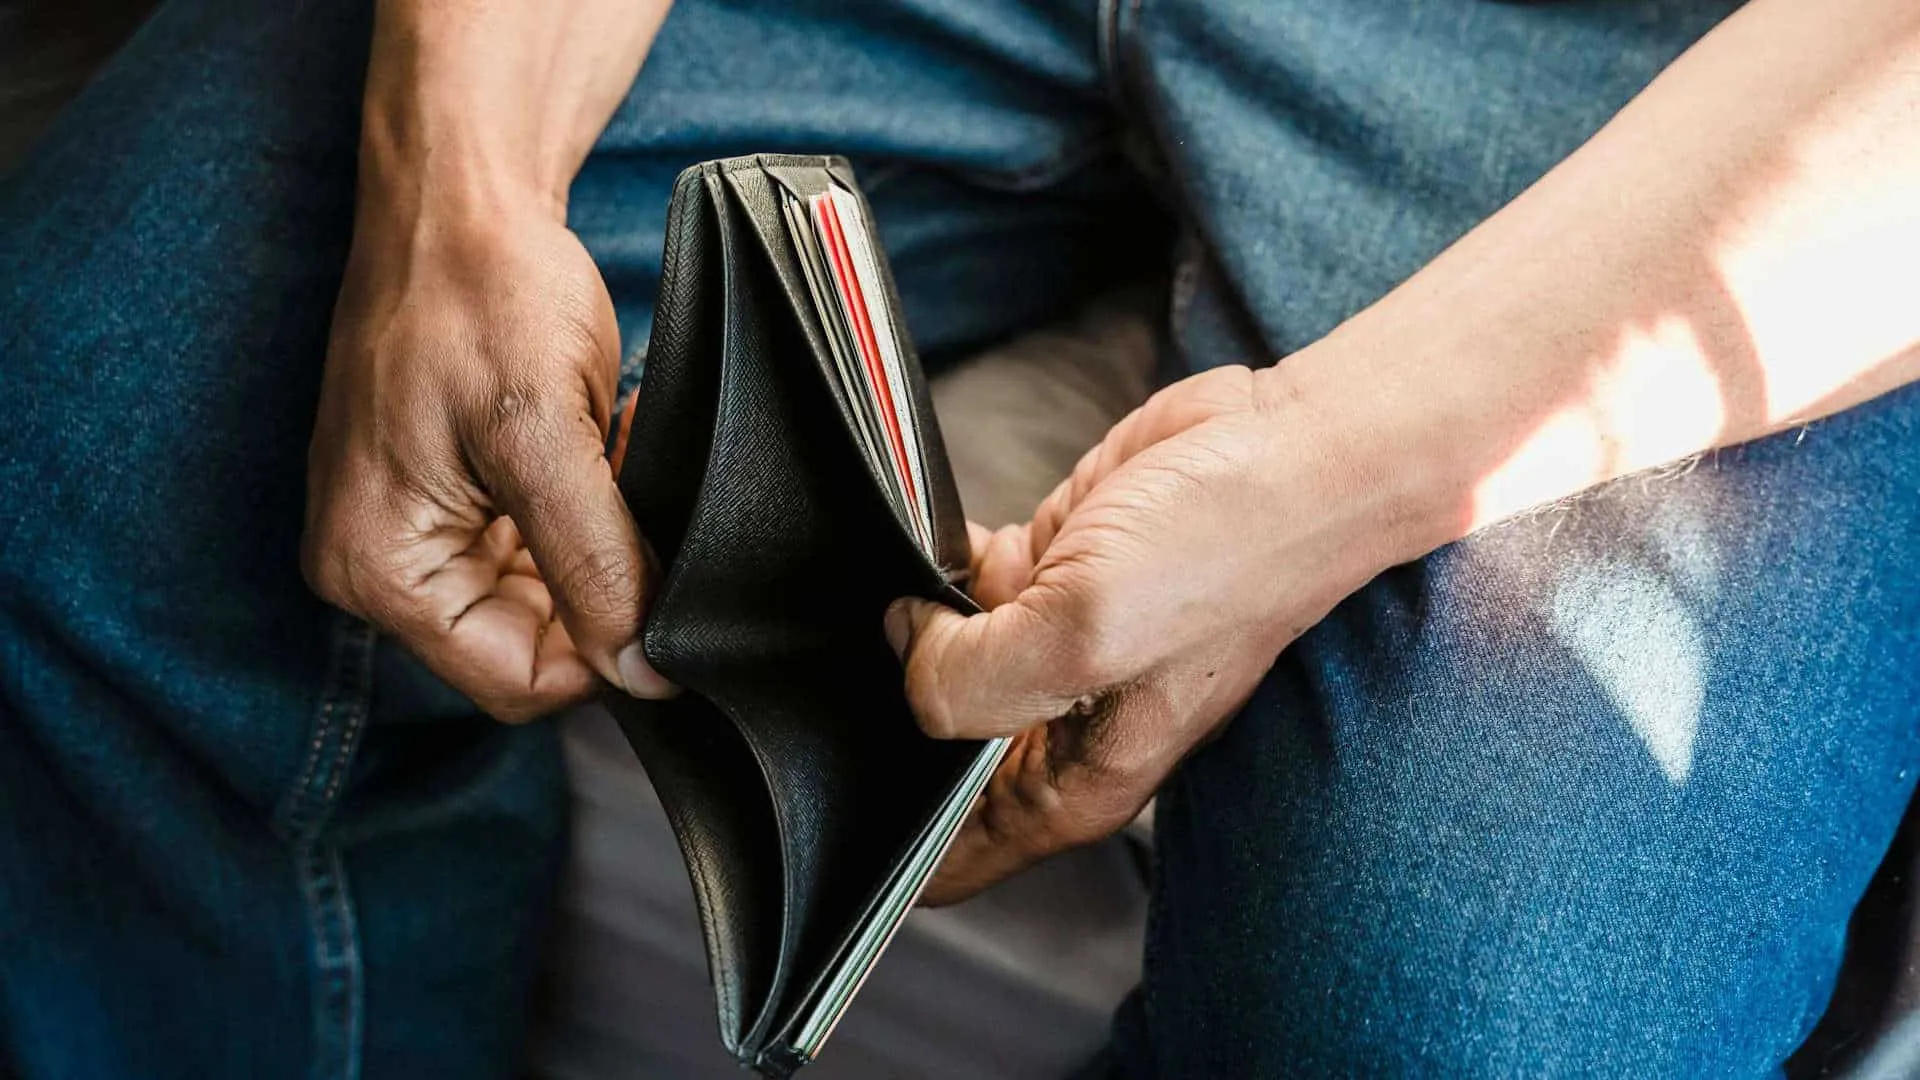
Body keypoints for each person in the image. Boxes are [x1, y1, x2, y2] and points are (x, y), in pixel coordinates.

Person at [2, 0, 1917, 1076]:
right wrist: (461, 167)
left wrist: (1329, 464)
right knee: (93, 433)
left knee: (1449, 1027)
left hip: (1726, 79)